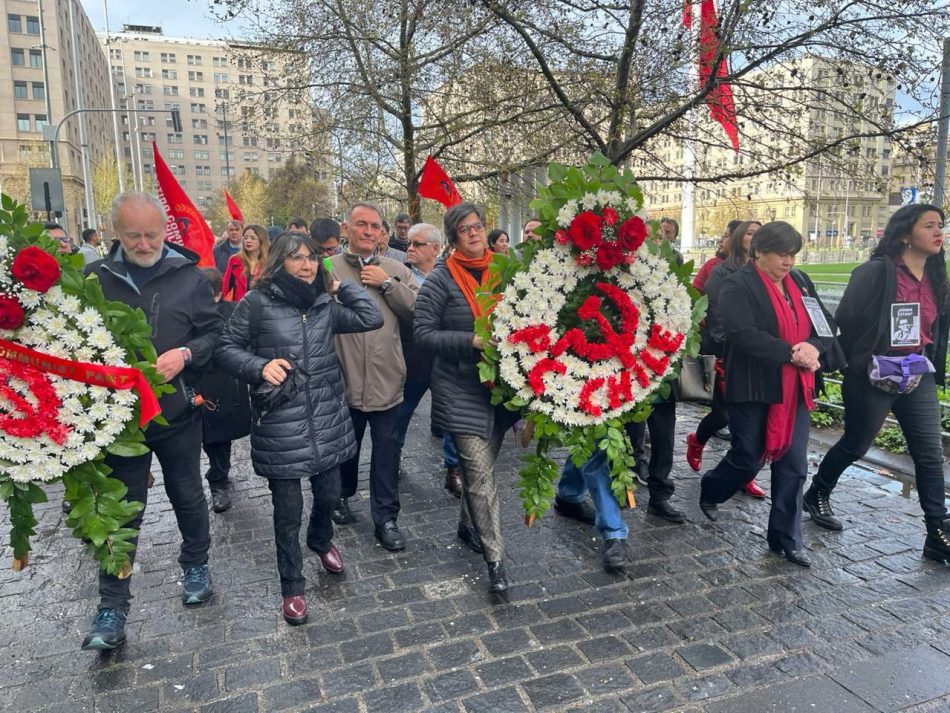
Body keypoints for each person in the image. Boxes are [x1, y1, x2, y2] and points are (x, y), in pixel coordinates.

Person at [216, 232, 383, 624]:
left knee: (329, 495)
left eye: (311, 258)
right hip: (280, 423)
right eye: (296, 258)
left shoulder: (326, 304)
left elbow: (370, 317)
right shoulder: (256, 303)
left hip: (326, 418)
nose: (307, 265)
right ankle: (292, 584)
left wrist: (341, 287)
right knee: (287, 510)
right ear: (279, 262)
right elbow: (225, 347)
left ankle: (321, 540)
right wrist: (258, 367)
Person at [80, 191, 222, 650]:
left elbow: (215, 333)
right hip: (118, 422)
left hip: (176, 411)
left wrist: (185, 354)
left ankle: (196, 565)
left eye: (151, 234)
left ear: (166, 231)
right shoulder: (94, 279)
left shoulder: (190, 277)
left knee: (187, 494)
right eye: (132, 235)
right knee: (120, 511)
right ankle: (112, 604)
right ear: (113, 234)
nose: (143, 243)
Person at [806, 205, 950, 563]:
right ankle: (817, 492)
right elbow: (848, 320)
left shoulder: (936, 275)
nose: (939, 232)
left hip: (918, 372)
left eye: (941, 226)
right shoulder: (874, 272)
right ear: (904, 234)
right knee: (856, 443)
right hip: (873, 374)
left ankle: (937, 532)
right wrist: (867, 360)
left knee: (929, 454)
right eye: (929, 225)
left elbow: (936, 328)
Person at [699, 222, 834, 567]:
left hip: (796, 387)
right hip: (754, 385)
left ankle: (786, 539)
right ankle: (712, 488)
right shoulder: (736, 284)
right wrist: (791, 352)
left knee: (793, 463)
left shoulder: (801, 283)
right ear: (758, 252)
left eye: (793, 254)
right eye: (781, 254)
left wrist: (813, 348)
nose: (788, 262)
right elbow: (741, 333)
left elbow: (825, 326)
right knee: (749, 456)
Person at [415, 201, 513, 593]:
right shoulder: (440, 279)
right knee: (481, 474)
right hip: (459, 387)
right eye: (464, 229)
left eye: (478, 226)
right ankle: (496, 561)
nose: (473, 233)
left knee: (481, 468)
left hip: (502, 389)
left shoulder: (505, 271)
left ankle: (465, 525)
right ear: (453, 237)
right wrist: (469, 340)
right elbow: (423, 333)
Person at [331, 202, 419, 551]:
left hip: (386, 379)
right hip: (342, 380)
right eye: (361, 225)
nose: (368, 232)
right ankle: (340, 495)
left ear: (382, 233)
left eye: (374, 227)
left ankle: (386, 518)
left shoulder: (397, 268)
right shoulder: (327, 268)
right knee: (344, 448)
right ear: (347, 228)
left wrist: (388, 285)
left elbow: (419, 310)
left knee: (386, 453)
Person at [686, 221, 767, 499]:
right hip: (725, 353)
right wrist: (732, 345)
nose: (754, 237)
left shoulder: (764, 272)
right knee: (724, 414)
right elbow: (715, 314)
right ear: (737, 237)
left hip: (755, 358)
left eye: (759, 233)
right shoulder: (721, 271)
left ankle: (743, 474)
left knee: (750, 424)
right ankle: (697, 440)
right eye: (749, 232)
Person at [392, 224, 464, 496]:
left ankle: (453, 469)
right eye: (409, 243)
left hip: (446, 356)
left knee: (453, 414)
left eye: (417, 244)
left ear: (435, 248)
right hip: (413, 357)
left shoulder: (453, 275)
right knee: (401, 412)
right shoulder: (399, 274)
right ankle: (392, 458)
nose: (410, 248)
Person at [624, 225, 687, 523]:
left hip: (661, 368)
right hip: (627, 368)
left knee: (664, 437)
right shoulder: (618, 271)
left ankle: (660, 495)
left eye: (656, 238)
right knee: (629, 432)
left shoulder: (669, 278)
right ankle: (625, 483)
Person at [197, 267, 252, 513]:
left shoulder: (233, 312)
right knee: (205, 439)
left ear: (218, 294)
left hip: (224, 385)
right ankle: (217, 478)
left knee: (219, 439)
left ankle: (219, 479)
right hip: (195, 384)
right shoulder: (187, 314)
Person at [222, 224, 269, 302]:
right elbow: (225, 287)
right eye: (245, 238)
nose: (248, 241)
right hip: (239, 307)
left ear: (261, 240)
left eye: (253, 238)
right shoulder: (235, 260)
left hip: (262, 309)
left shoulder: (269, 262)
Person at [693, 220, 740, 292]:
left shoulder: (750, 267)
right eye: (722, 236)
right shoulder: (712, 265)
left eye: (726, 236)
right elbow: (695, 291)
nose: (721, 240)